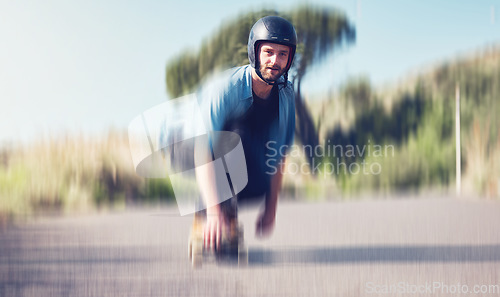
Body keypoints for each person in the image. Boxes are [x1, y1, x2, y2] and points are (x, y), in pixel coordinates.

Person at [194, 15, 297, 251]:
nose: (275, 61)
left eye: (283, 54)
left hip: (242, 156)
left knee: (261, 184)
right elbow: (202, 149)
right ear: (254, 52)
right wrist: (212, 212)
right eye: (269, 52)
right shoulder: (225, 88)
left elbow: (279, 155)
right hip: (190, 148)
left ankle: (227, 211)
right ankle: (215, 212)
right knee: (235, 136)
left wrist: (270, 209)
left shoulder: (286, 94)